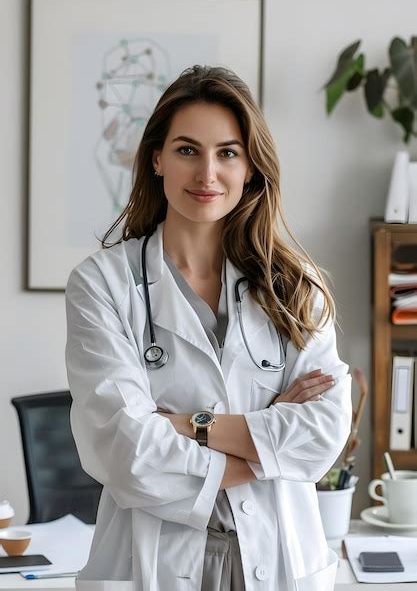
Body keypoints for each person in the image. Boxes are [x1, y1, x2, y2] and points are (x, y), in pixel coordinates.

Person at [65, 65, 352, 591]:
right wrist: (267, 439)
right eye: (187, 150)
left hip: (279, 558)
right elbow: (125, 453)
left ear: (250, 168)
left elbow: (321, 437)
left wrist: (185, 425)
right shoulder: (102, 284)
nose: (207, 175)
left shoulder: (294, 285)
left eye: (227, 152)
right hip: (151, 560)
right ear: (156, 158)